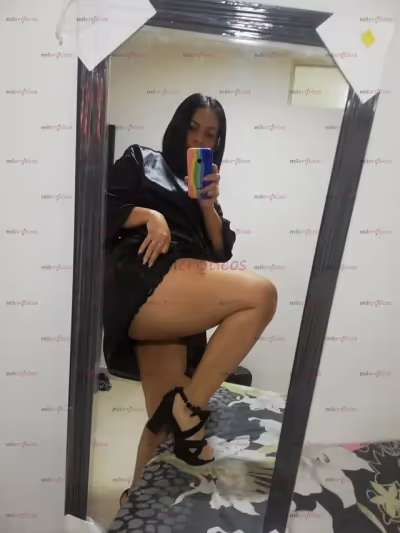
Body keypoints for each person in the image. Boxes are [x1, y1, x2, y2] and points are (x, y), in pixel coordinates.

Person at [103, 93, 278, 506]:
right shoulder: (140, 159)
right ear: (178, 126)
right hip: (147, 277)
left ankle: (134, 501)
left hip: (181, 297)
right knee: (262, 294)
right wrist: (149, 216)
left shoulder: (205, 189)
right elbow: (97, 204)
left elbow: (220, 251)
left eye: (210, 134)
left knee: (163, 420)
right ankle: (191, 409)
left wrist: (207, 206)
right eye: (193, 128)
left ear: (218, 143)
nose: (199, 139)